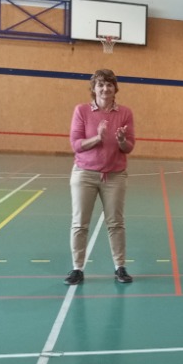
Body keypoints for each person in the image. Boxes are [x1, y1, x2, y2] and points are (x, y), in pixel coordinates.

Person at [65, 69, 136, 286]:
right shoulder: (82, 111)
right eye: (101, 85)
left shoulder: (125, 113)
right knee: (80, 223)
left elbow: (129, 147)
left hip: (115, 175)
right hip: (84, 174)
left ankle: (120, 267)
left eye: (109, 85)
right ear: (94, 88)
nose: (105, 89)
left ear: (115, 88)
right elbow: (76, 144)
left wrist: (121, 140)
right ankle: (77, 268)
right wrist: (98, 137)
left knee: (116, 223)